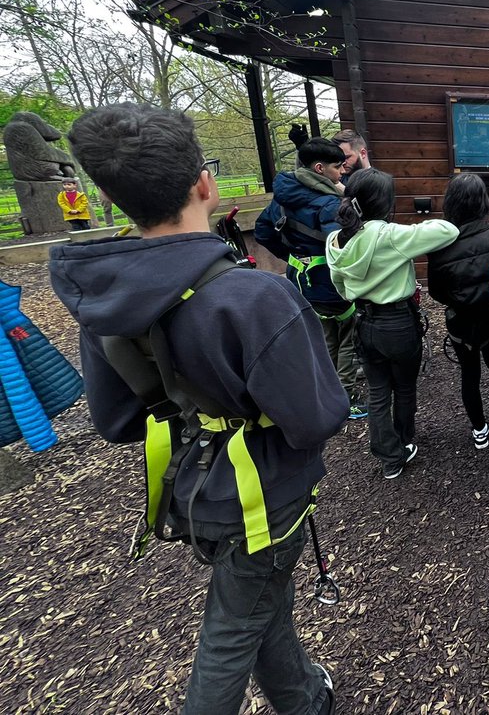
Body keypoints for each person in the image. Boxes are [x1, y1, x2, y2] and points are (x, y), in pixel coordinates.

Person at [49, 103, 345, 715]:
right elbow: (316, 418)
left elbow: (117, 421)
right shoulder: (255, 296)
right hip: (261, 496)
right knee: (230, 633)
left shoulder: (109, 301)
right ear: (204, 183)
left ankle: (305, 699)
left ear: (111, 195)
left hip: (190, 485)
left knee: (258, 602)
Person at [325, 168, 458, 479]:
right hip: (397, 322)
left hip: (362, 320)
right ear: (385, 202)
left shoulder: (335, 240)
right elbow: (447, 230)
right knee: (405, 387)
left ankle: (388, 457)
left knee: (377, 389)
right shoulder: (389, 235)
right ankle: (404, 441)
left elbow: (340, 287)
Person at [254, 138, 365, 416]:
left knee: (321, 336)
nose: (342, 172)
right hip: (329, 281)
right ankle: (346, 396)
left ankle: (324, 390)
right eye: (338, 167)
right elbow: (346, 247)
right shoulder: (328, 205)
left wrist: (292, 255)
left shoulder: (282, 196)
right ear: (319, 168)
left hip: (299, 279)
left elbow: (263, 232)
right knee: (348, 336)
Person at [427, 172, 489, 448]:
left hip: (461, 324)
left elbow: (436, 291)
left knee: (469, 373)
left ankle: (479, 429)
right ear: (482, 201)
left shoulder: (440, 245)